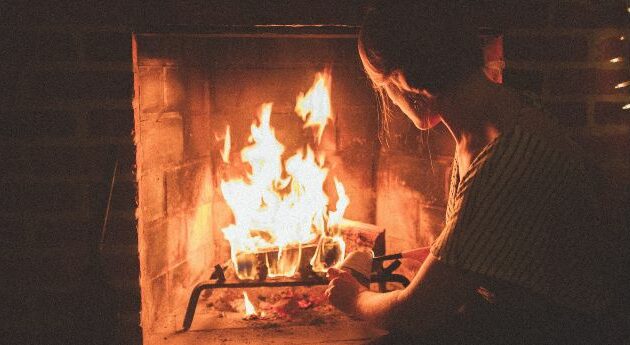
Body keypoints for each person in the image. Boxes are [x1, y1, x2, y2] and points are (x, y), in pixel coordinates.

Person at [325, 1, 621, 344]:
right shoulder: (494, 121)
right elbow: (508, 247)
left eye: (382, 86)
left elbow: (418, 312)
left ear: (405, 80)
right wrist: (441, 259)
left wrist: (355, 298)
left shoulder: (505, 156)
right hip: (521, 314)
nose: (388, 98)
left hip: (557, 331)